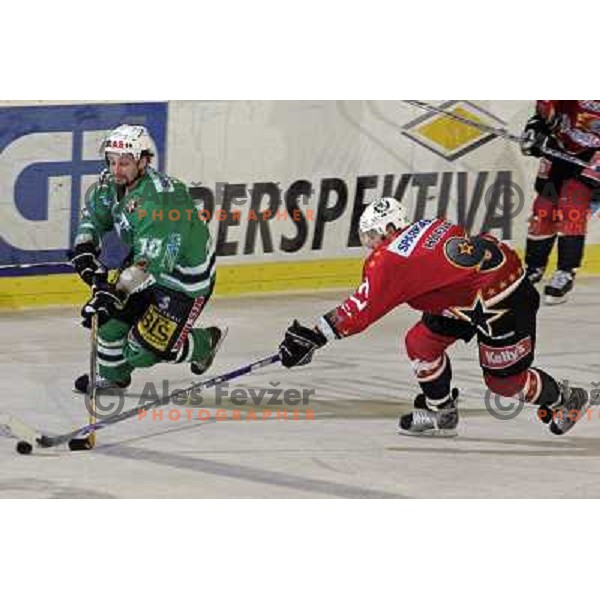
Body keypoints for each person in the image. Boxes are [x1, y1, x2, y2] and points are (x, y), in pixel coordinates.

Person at [278, 197, 589, 437]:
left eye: (371, 235)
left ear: (388, 229)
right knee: (421, 343)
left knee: (504, 384)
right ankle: (442, 412)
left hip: (503, 300)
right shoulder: (428, 224)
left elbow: (360, 310)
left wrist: (314, 336)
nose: (369, 243)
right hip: (470, 295)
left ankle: (567, 398)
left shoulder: (389, 260)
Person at [69, 124, 225, 393]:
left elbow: (149, 263)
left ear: (143, 161)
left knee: (143, 352)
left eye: (125, 163)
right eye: (112, 161)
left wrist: (113, 294)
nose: (116, 170)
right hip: (145, 265)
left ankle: (204, 343)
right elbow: (94, 216)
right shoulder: (112, 184)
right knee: (109, 325)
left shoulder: (160, 200)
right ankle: (114, 377)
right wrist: (84, 248)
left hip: (182, 281)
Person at [520, 100, 600, 304]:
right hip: (560, 150)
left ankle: (565, 271)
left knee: (571, 207)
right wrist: (534, 133)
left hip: (593, 156)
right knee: (543, 210)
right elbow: (542, 115)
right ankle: (534, 267)